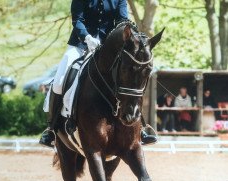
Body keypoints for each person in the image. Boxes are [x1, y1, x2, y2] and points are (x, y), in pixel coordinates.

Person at [39, 0, 157, 148]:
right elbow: (78, 21)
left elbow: (122, 20)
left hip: (108, 48)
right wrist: (87, 37)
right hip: (80, 45)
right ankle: (52, 129)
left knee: (129, 79)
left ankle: (141, 128)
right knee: (58, 82)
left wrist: (128, 30)